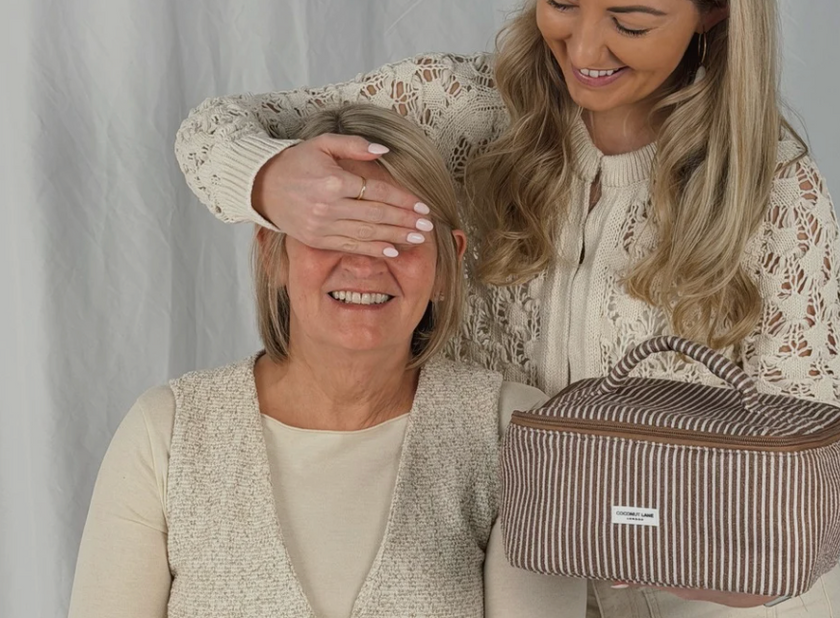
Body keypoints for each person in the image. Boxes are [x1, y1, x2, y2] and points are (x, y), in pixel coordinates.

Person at [172, 0, 840, 615]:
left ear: (713, 13)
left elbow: (809, 451)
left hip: (718, 600)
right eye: (562, 3)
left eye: (632, 21)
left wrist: (738, 563)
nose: (584, 50)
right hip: (513, 586)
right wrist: (268, 178)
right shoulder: (460, 107)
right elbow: (212, 129)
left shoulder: (778, 190)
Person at [68, 104, 587, 618]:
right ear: (274, 251)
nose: (363, 263)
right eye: (334, 229)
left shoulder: (516, 432)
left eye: (397, 233)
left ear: (446, 267)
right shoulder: (167, 433)